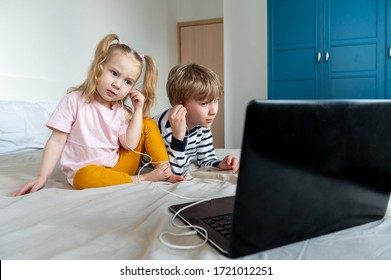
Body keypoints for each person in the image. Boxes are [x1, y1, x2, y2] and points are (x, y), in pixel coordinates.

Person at [14, 33, 183, 196]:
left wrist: (138, 110)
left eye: (127, 82)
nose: (117, 84)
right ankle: (144, 178)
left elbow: (130, 144)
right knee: (83, 177)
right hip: (90, 173)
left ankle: (165, 172)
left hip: (118, 167)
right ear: (99, 66)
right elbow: (57, 141)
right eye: (114, 73)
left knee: (147, 123)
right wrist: (42, 176)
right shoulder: (73, 101)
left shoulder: (120, 112)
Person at [153, 63, 239, 176]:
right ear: (179, 103)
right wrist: (178, 137)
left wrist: (220, 164)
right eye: (204, 103)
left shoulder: (201, 123)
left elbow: (206, 159)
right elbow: (172, 173)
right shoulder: (163, 127)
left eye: (216, 100)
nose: (213, 111)